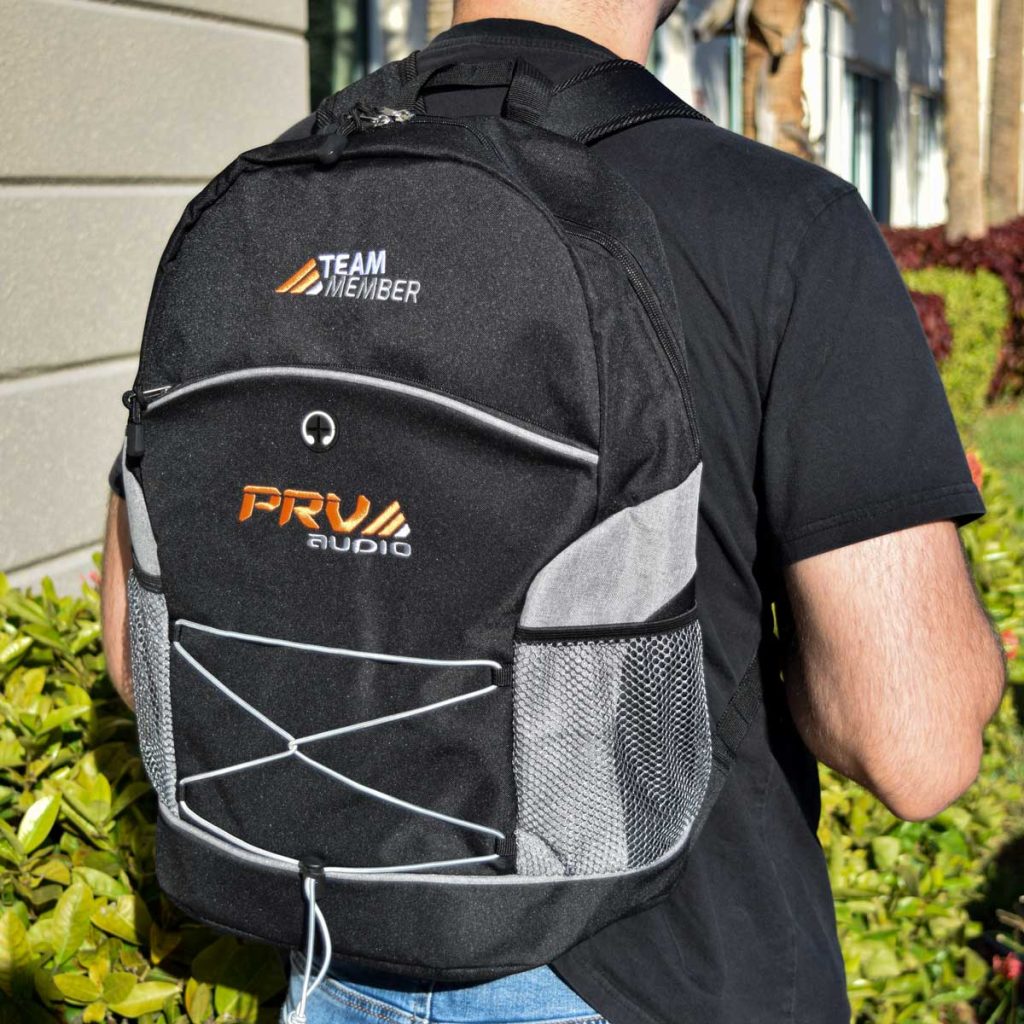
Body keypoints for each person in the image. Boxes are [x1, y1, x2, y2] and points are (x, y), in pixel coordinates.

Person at [100, 1, 1008, 1021]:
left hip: (332, 962)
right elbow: (915, 744)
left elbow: (140, 653)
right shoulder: (778, 219)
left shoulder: (273, 196)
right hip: (655, 976)